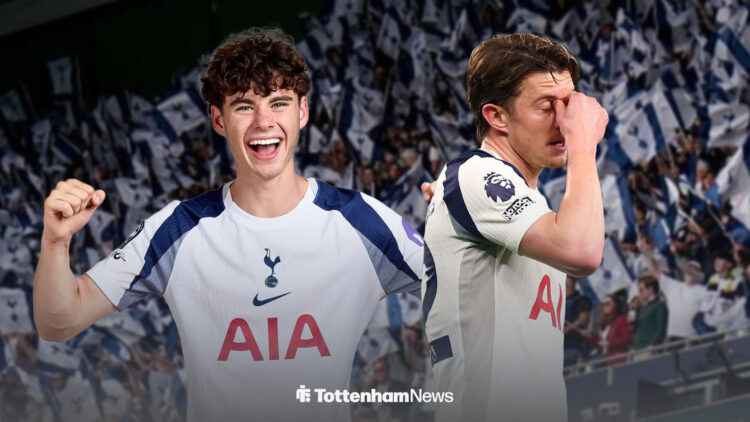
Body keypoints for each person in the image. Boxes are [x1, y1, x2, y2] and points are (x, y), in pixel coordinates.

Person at [33, 28, 423, 422]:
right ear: (218, 119)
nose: (263, 122)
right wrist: (54, 242)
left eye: (279, 102)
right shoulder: (177, 229)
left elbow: (463, 280)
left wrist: (467, 227)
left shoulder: (359, 220)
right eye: (243, 106)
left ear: (302, 112)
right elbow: (58, 323)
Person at [421, 33, 607, 422]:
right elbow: (582, 251)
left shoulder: (523, 207)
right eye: (546, 107)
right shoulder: (475, 173)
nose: (564, 122)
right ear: (497, 116)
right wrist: (584, 146)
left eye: (569, 105)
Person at [629, 275, 668, 352]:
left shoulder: (659, 305)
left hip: (649, 349)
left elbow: (661, 328)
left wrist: (652, 345)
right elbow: (637, 330)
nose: (639, 293)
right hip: (637, 348)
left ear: (650, 289)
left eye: (641, 290)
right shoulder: (642, 308)